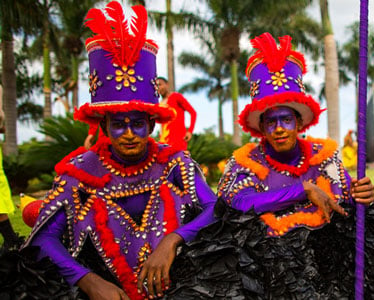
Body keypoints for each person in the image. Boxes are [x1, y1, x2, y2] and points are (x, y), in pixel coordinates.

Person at [2, 3, 217, 299]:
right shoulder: (78, 172)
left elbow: (215, 210)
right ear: (102, 125)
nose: (129, 134)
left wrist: (172, 240)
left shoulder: (174, 163)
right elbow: (44, 239)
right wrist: (88, 281)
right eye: (118, 124)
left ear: (152, 124)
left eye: (138, 123)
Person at [216, 32, 374, 298]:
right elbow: (240, 203)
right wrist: (303, 190)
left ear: (299, 123)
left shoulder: (324, 157)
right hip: (269, 279)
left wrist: (364, 196)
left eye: (286, 120)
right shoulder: (246, 162)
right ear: (261, 128)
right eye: (271, 122)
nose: (279, 129)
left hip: (328, 276)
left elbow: (346, 203)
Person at [157, 77, 196, 151]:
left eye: (160, 84)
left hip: (178, 139)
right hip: (164, 140)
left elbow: (193, 112)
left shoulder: (176, 97)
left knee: (179, 160)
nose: (158, 87)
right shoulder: (160, 103)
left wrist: (190, 131)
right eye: (156, 86)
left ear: (167, 84)